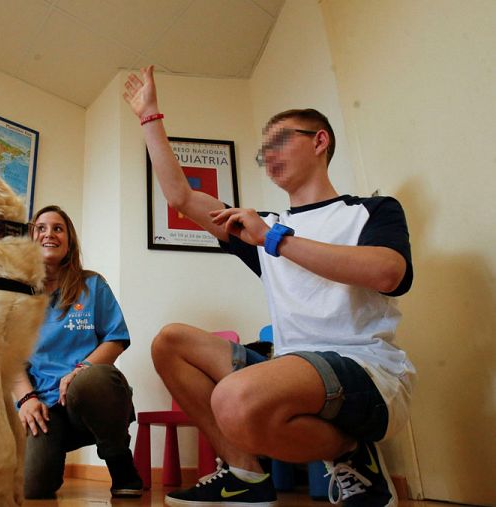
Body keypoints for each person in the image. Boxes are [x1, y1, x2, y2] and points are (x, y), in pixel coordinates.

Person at [123, 66, 414, 507]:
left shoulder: (371, 211)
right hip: (291, 368)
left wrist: (274, 239)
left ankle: (352, 454)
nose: (269, 154)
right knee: (170, 343)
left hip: (366, 373)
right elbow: (181, 198)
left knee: (236, 399)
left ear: (320, 141)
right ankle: (246, 475)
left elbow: (387, 273)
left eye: (280, 141)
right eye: (264, 151)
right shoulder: (263, 227)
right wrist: (149, 116)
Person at [12, 205, 144, 500]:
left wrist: (78, 370)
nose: (49, 234)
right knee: (33, 489)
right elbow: (7, 357)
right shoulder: (15, 293)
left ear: (69, 240)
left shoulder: (92, 284)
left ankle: (120, 463)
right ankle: (52, 449)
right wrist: (26, 399)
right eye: (41, 228)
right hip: (44, 403)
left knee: (90, 379)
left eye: (58, 228)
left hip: (90, 396)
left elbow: (116, 338)